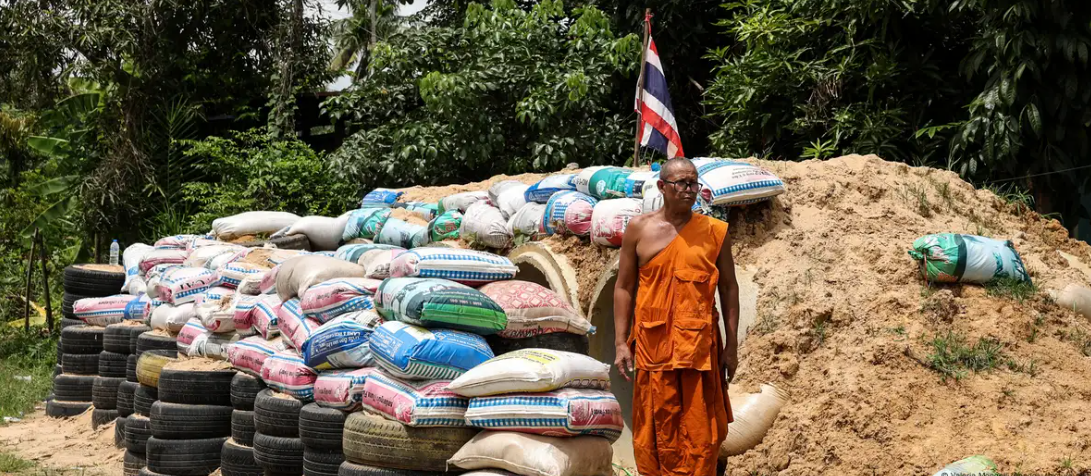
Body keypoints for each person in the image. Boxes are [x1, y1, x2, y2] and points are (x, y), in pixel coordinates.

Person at [613, 157, 739, 476]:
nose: (688, 190)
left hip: (699, 351)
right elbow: (624, 287)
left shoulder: (714, 232)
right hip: (654, 349)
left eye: (693, 183)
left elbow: (728, 287)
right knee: (654, 432)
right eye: (681, 183)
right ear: (662, 187)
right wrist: (620, 343)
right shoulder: (639, 229)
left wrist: (732, 345)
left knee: (701, 436)